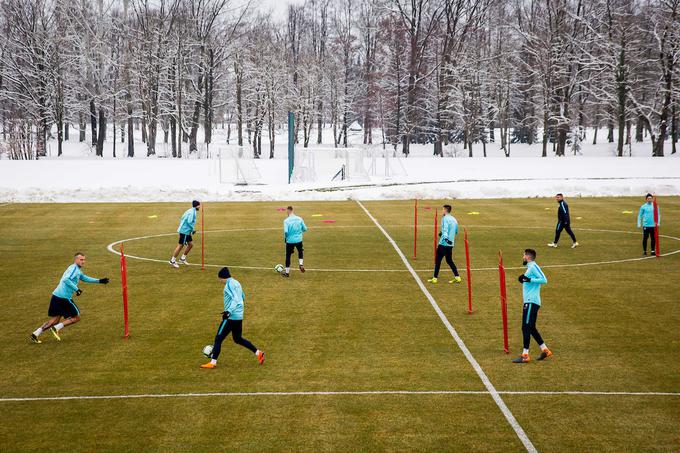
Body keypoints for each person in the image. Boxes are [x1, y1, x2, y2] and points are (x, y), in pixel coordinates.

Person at [29, 252, 109, 343]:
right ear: (76, 260)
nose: (83, 261)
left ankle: (35, 334)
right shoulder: (74, 269)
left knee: (54, 320)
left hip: (56, 296)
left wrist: (99, 281)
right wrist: (77, 289)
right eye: (81, 259)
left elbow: (84, 277)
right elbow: (65, 279)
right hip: (64, 298)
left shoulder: (74, 269)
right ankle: (56, 328)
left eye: (84, 259)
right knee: (76, 317)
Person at [201, 267, 265, 369]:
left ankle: (212, 363)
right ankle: (258, 353)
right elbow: (242, 296)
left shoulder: (229, 285)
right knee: (238, 339)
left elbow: (236, 299)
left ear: (222, 278)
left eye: (219, 279)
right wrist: (239, 310)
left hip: (231, 317)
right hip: (239, 316)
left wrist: (228, 311)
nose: (219, 281)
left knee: (218, 338)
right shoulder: (237, 283)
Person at [512, 249, 552, 363]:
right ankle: (545, 350)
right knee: (531, 328)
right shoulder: (529, 267)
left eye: (524, 255)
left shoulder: (533, 266)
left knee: (525, 327)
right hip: (530, 301)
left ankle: (525, 355)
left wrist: (529, 279)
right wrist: (525, 278)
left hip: (531, 302)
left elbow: (544, 280)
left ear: (528, 257)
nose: (523, 257)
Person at [428, 204, 462, 284]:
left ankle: (435, 278)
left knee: (438, 260)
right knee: (449, 260)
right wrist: (444, 235)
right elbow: (456, 231)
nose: (442, 211)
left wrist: (445, 238)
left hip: (443, 243)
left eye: (443, 209)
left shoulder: (444, 219)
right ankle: (457, 277)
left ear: (445, 210)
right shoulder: (454, 219)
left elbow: (446, 229)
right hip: (451, 244)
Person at [170, 200, 200, 268]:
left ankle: (182, 258)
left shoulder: (190, 210)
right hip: (185, 231)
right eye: (199, 205)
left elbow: (182, 218)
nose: (199, 207)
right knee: (180, 245)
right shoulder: (192, 212)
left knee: (190, 244)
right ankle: (172, 261)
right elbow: (189, 222)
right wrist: (192, 230)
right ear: (197, 206)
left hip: (186, 231)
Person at [281, 206, 308, 278]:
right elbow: (305, 229)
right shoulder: (299, 218)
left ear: (288, 211)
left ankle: (287, 273)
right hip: (299, 240)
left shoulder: (286, 221)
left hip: (290, 240)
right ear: (293, 210)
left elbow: (286, 231)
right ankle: (301, 264)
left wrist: (286, 238)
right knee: (300, 251)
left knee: (288, 255)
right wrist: (299, 232)